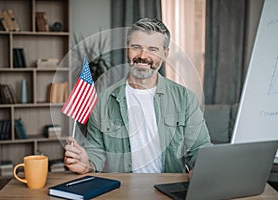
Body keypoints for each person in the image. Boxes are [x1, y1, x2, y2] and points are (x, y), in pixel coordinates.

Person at [64, 17, 211, 176]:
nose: (143, 55)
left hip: (170, 188)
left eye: (153, 49)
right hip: (124, 190)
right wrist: (86, 163)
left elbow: (199, 150)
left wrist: (203, 171)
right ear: (127, 49)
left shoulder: (185, 98)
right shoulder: (103, 101)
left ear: (165, 54)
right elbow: (95, 152)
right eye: (136, 47)